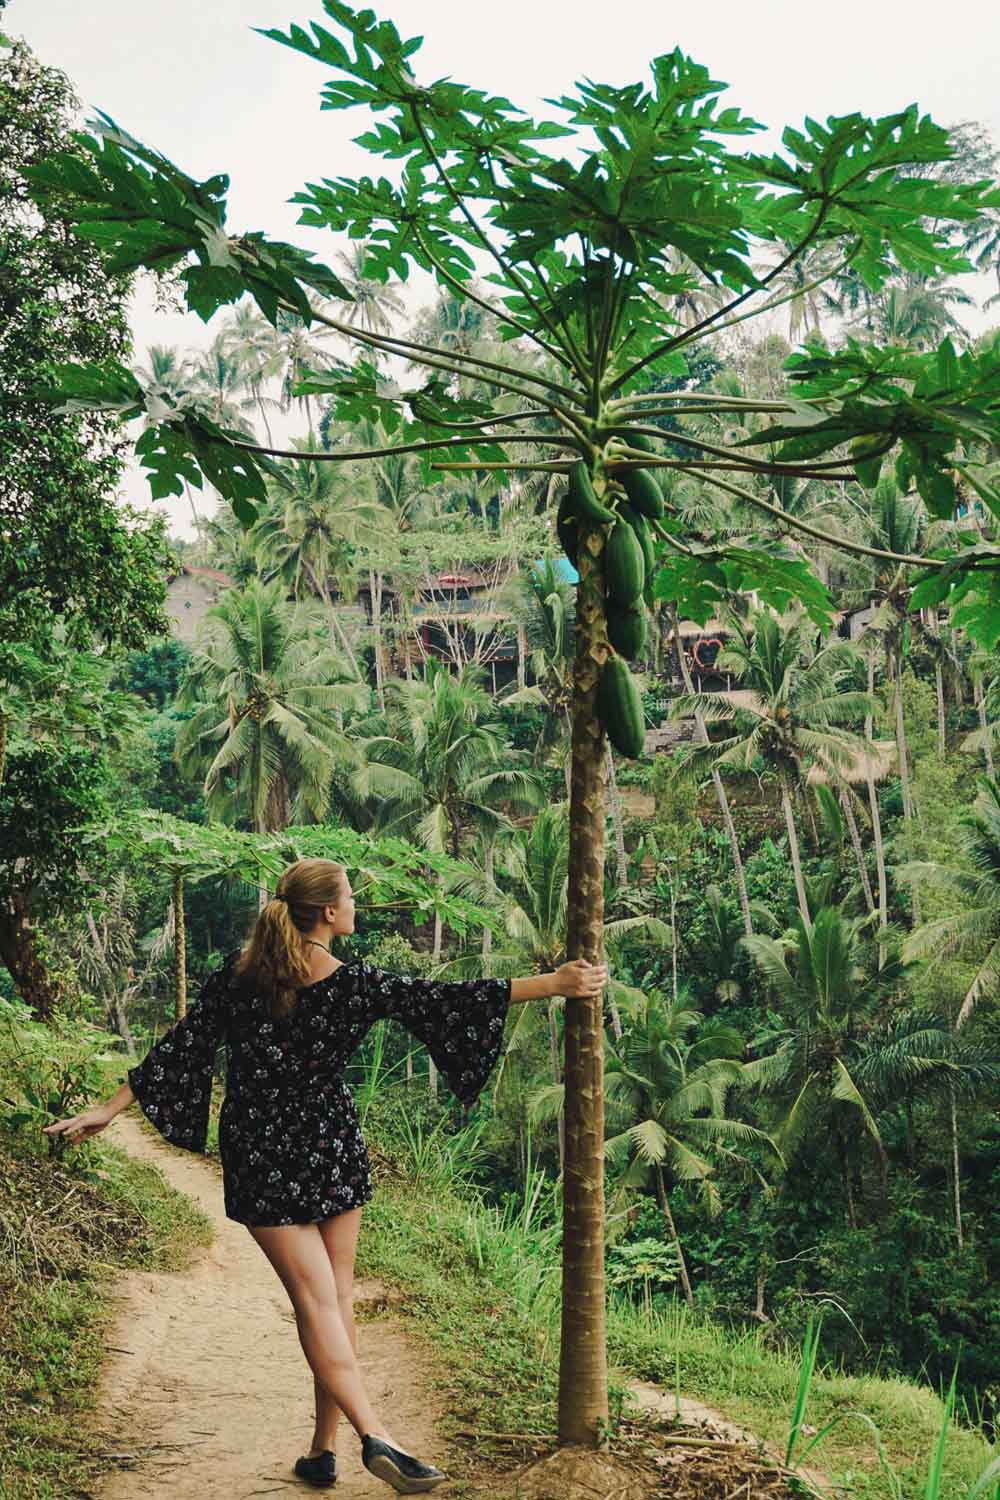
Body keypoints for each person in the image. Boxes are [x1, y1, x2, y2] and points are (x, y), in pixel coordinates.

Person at [42, 857, 607, 1495]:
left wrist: (108, 1109)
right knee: (331, 1300)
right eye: (350, 897)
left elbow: (183, 1044)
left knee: (321, 1304)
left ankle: (322, 1450)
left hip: (259, 1148)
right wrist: (554, 984)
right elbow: (445, 1000)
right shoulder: (354, 983)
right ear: (331, 914)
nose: (356, 906)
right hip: (330, 1142)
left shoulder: (237, 974)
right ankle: (377, 1436)